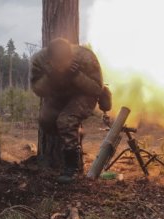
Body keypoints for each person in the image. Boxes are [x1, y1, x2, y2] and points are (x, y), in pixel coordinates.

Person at [30, 38, 112, 184]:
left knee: (66, 121)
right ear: (50, 60)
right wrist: (50, 77)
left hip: (84, 95)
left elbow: (96, 89)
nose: (60, 67)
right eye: (57, 64)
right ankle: (75, 134)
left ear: (71, 58)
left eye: (64, 63)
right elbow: (37, 89)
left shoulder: (85, 57)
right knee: (46, 121)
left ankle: (71, 169)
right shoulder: (39, 61)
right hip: (57, 95)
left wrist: (76, 76)